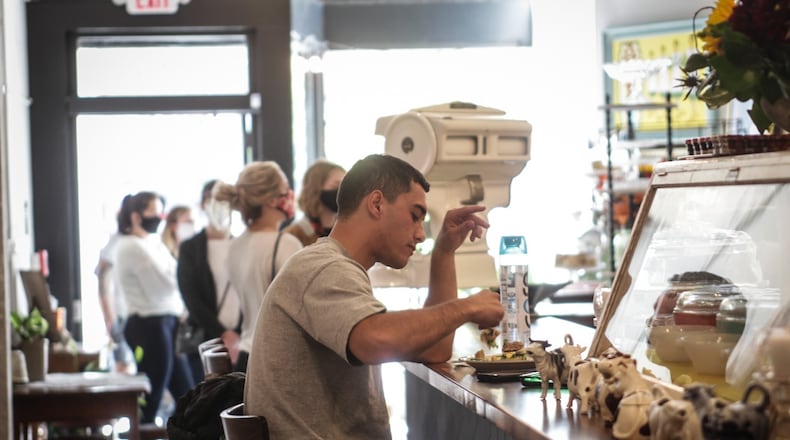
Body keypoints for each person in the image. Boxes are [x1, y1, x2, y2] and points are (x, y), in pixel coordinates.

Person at [244, 154, 504, 438]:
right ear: (377, 203)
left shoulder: (339, 267)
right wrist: (466, 307)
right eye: (415, 216)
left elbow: (435, 350)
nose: (420, 234)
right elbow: (375, 341)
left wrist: (444, 251)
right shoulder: (324, 266)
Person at [114, 191, 195, 425]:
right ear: (136, 216)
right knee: (153, 395)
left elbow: (177, 277)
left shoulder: (152, 242)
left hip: (167, 324)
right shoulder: (130, 246)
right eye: (154, 212)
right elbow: (167, 283)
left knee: (187, 393)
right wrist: (178, 277)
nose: (159, 217)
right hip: (149, 326)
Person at [214, 161, 303, 372]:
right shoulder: (286, 244)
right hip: (278, 357)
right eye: (285, 190)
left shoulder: (234, 246)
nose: (291, 196)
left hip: (247, 355)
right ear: (272, 200)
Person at [177, 180, 242, 381]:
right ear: (203, 204)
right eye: (213, 201)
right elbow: (190, 295)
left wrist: (237, 334)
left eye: (225, 201)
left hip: (242, 340)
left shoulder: (242, 244)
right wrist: (223, 333)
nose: (219, 207)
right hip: (205, 337)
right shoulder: (191, 248)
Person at [95, 231, 136, 374]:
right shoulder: (116, 243)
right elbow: (103, 281)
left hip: (136, 314)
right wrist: (110, 319)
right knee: (124, 366)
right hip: (120, 316)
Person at [283, 159, 346, 246]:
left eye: (345, 185)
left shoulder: (348, 231)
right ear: (316, 189)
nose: (343, 191)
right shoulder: (294, 234)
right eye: (336, 185)